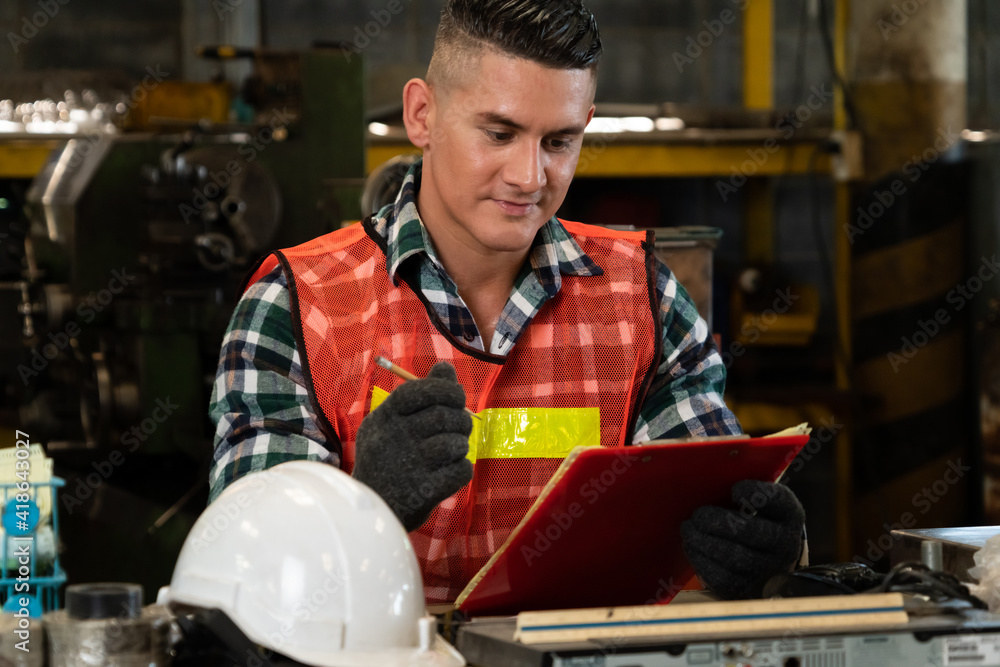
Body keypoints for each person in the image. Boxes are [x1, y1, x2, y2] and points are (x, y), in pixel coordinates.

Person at [209, 0, 805, 603]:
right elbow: (248, 575)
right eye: (499, 133)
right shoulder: (298, 305)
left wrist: (758, 547)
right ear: (423, 114)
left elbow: (715, 504)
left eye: (559, 141)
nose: (529, 175)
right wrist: (364, 504)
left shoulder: (641, 299)